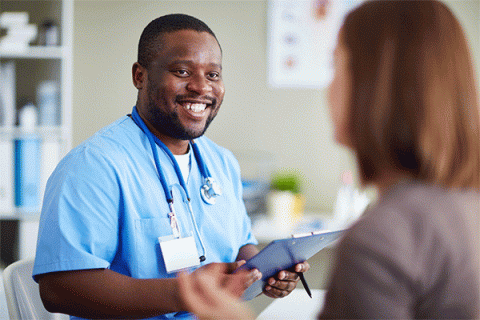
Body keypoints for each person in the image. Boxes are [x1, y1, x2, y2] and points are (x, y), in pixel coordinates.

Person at [177, 1, 480, 319]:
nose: (329, 87)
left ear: (373, 88)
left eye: (336, 67)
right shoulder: (465, 206)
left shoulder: (380, 240)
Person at [32, 14, 309, 320]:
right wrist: (188, 293)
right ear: (140, 76)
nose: (201, 87)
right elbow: (58, 289)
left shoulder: (222, 162)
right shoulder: (92, 166)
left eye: (213, 75)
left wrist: (265, 271)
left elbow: (241, 246)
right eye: (182, 71)